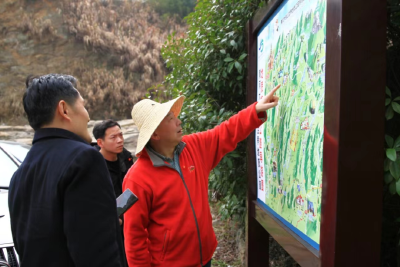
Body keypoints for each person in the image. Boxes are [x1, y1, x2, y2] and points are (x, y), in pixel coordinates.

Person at [123, 85, 280, 267]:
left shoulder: (193, 147)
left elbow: (224, 133)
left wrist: (254, 111)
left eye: (175, 116)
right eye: (170, 119)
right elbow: (134, 238)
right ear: (155, 134)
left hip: (204, 258)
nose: (178, 121)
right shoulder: (136, 179)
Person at [8, 74, 126, 267]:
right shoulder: (84, 158)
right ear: (64, 109)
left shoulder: (20, 173)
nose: (88, 115)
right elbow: (97, 255)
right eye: (83, 105)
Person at [92, 119, 134, 198]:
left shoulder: (126, 157)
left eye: (121, 135)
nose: (120, 140)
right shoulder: (93, 165)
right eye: (113, 137)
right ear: (100, 143)